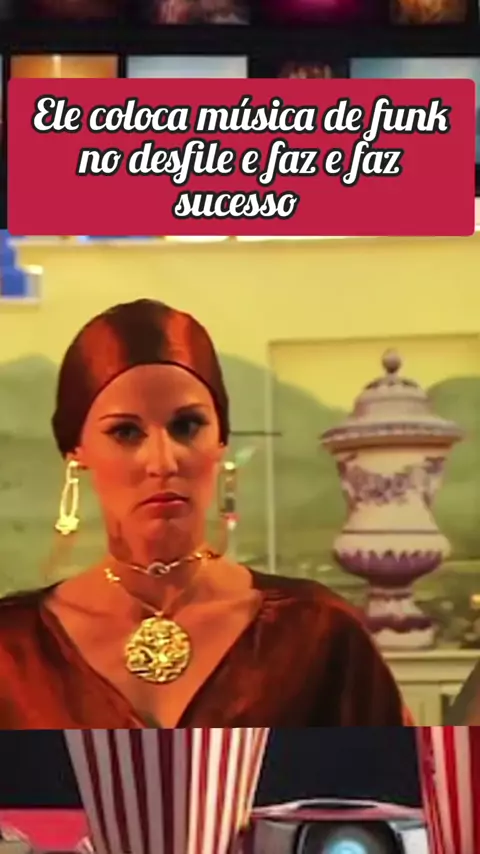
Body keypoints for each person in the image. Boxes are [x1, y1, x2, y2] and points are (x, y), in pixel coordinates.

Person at [0, 299, 408, 727]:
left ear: (220, 442)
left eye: (187, 426)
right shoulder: (13, 650)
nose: (163, 461)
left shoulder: (317, 633)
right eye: (125, 432)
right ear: (76, 451)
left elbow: (396, 770)